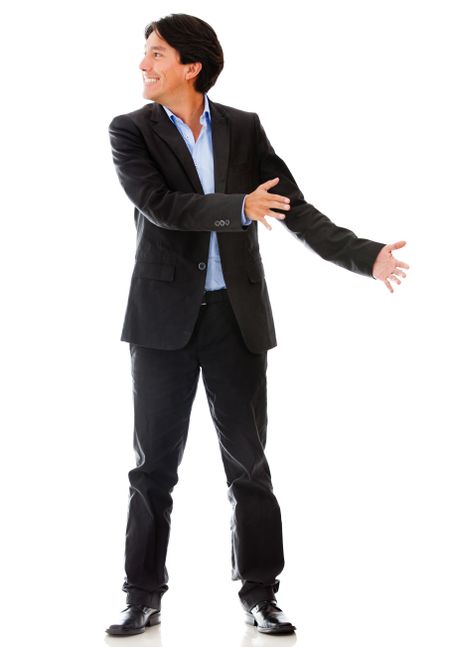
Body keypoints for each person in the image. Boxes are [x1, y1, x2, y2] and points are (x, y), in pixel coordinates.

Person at [106, 13, 409, 637]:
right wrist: (238, 208)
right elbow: (161, 207)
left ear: (192, 66)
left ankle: (261, 595)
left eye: (156, 54)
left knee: (249, 464)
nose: (143, 64)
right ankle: (141, 596)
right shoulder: (130, 130)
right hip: (161, 322)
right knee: (152, 468)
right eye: (146, 53)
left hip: (235, 320)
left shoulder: (242, 128)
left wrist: (364, 255)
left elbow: (291, 207)